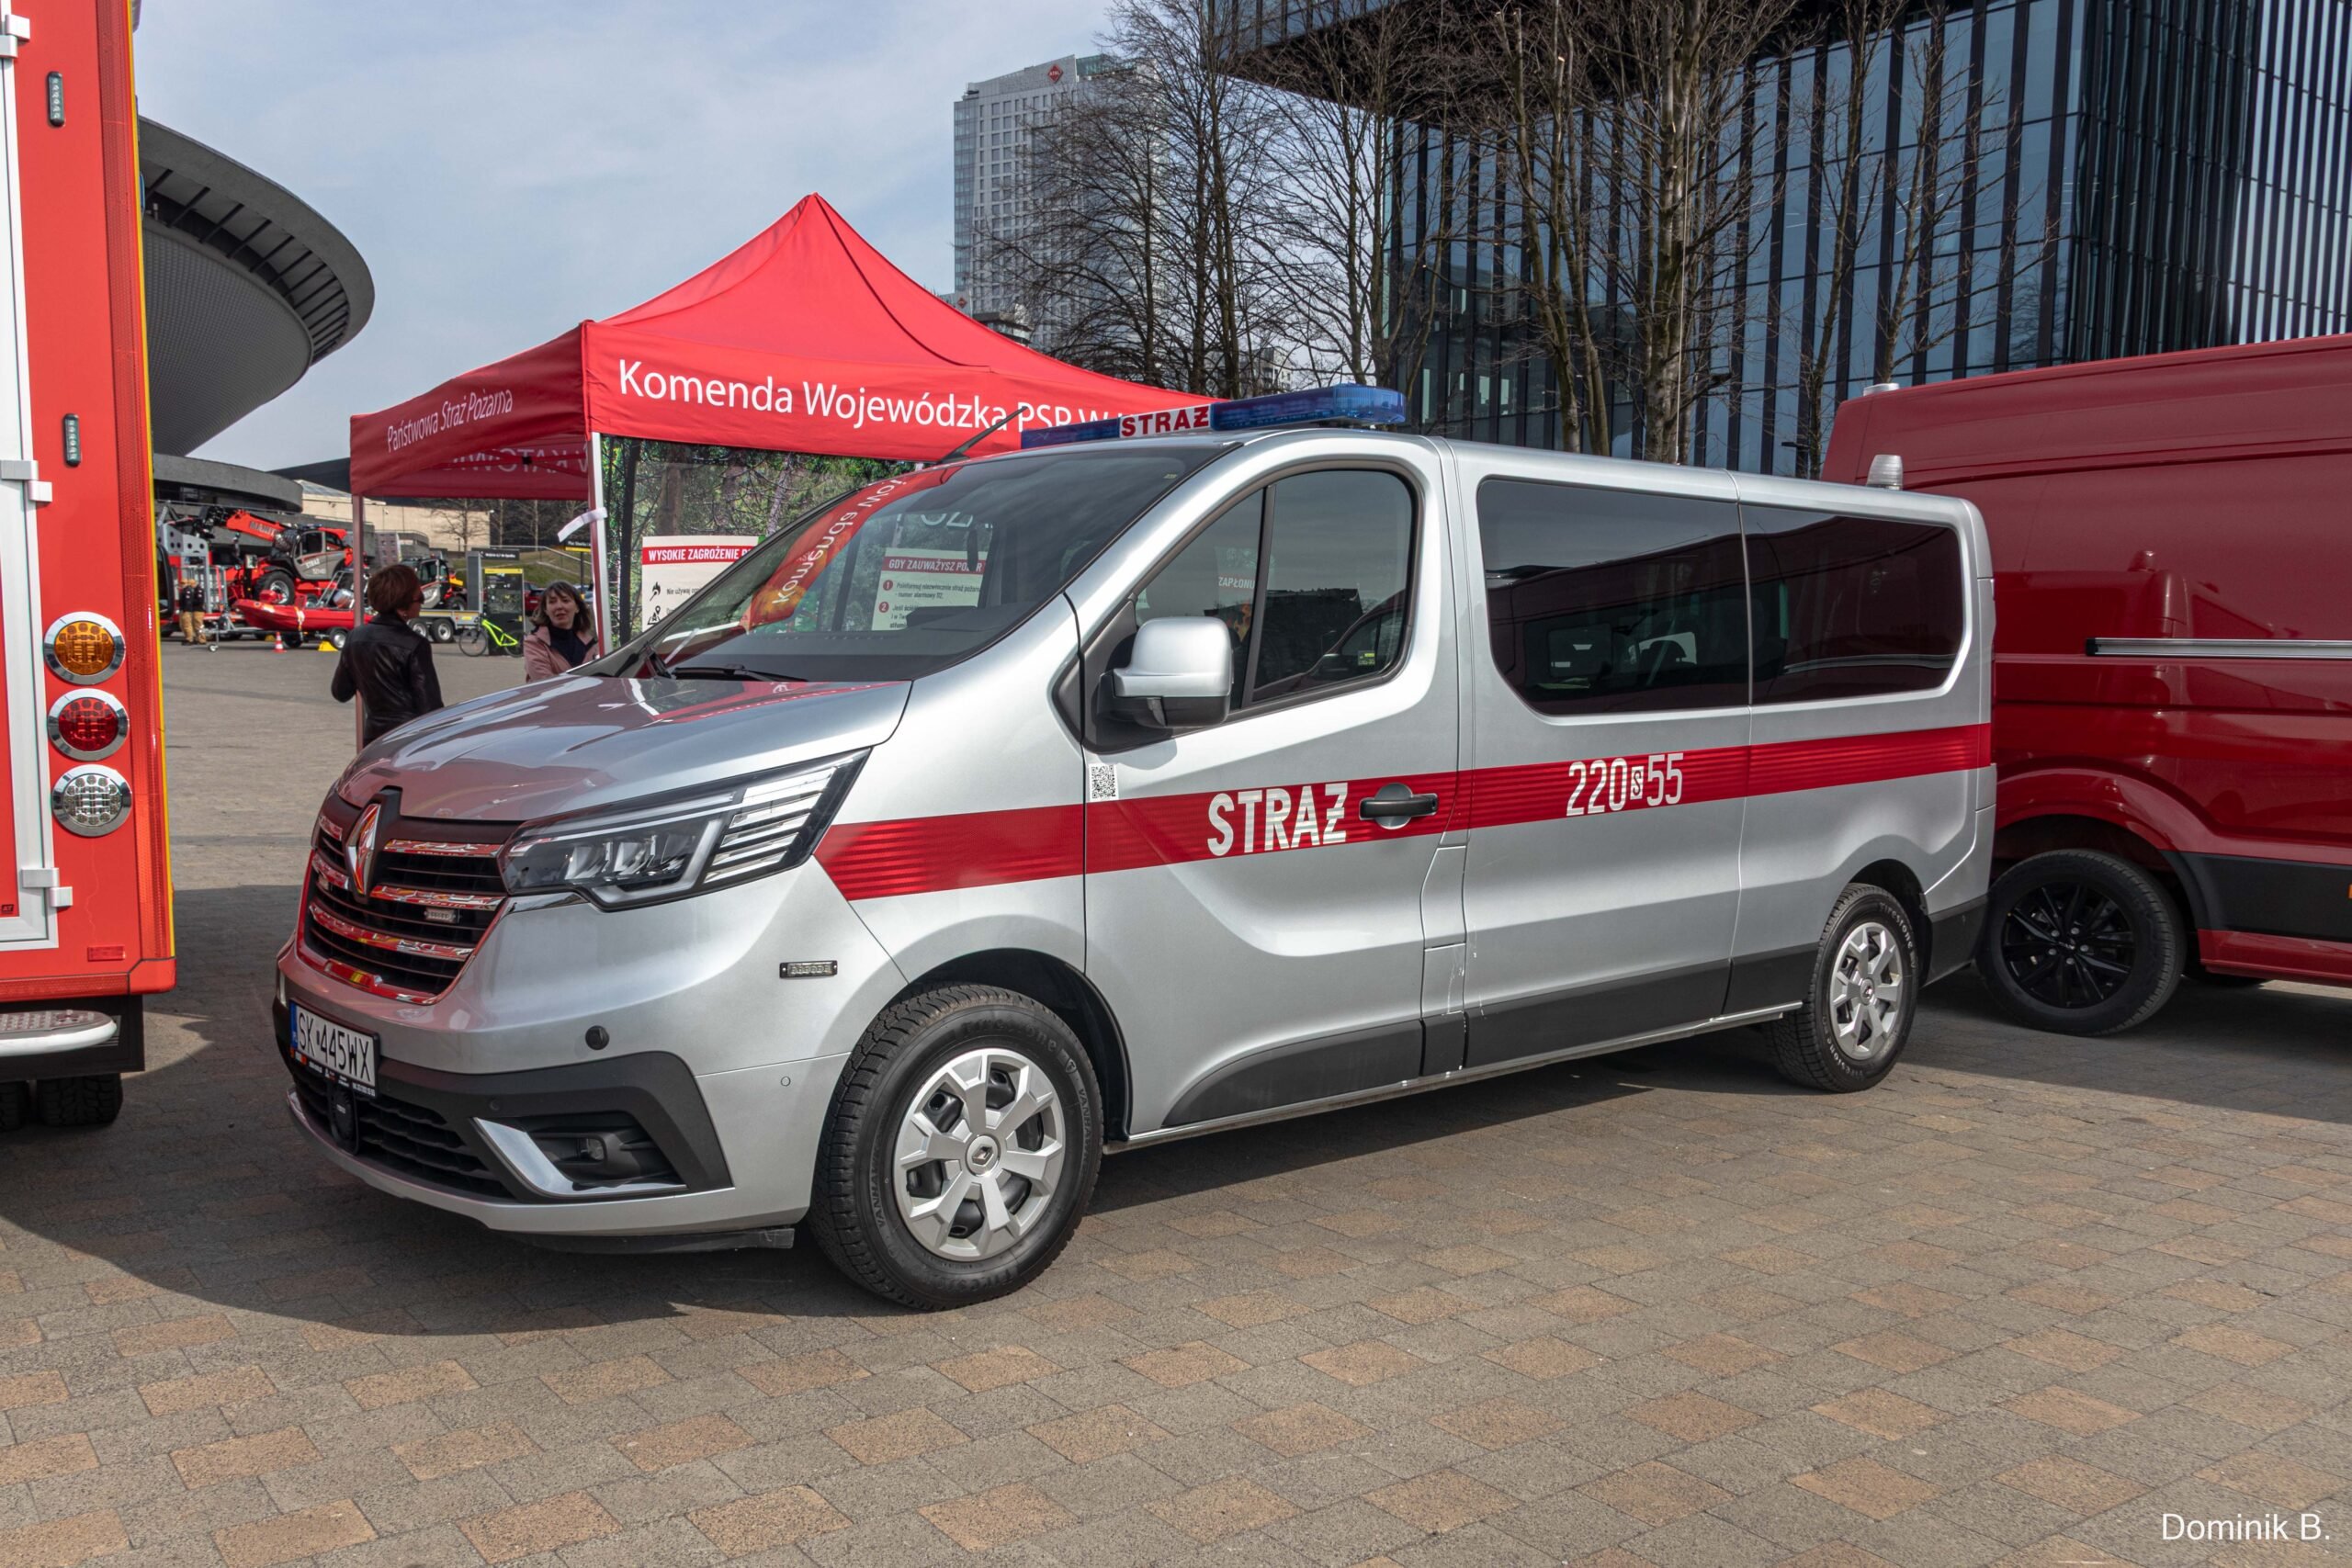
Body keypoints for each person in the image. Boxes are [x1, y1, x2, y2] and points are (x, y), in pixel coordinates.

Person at [331, 563, 445, 746]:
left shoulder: (354, 637)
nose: (422, 601)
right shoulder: (415, 644)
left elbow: (340, 692)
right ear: (403, 602)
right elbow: (430, 707)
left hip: (373, 739)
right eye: (419, 597)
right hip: (408, 739)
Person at [521, 581, 596, 682]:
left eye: (565, 600)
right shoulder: (534, 643)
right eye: (552, 602)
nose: (559, 606)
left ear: (577, 607)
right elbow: (545, 683)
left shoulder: (590, 643)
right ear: (546, 610)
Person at [174, 579, 213, 650]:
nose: (190, 586)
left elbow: (199, 601)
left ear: (194, 584)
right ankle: (197, 638)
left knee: (198, 625)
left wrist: (190, 603)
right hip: (193, 610)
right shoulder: (192, 590)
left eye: (190, 584)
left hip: (198, 610)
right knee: (194, 626)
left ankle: (201, 639)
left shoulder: (199, 590)